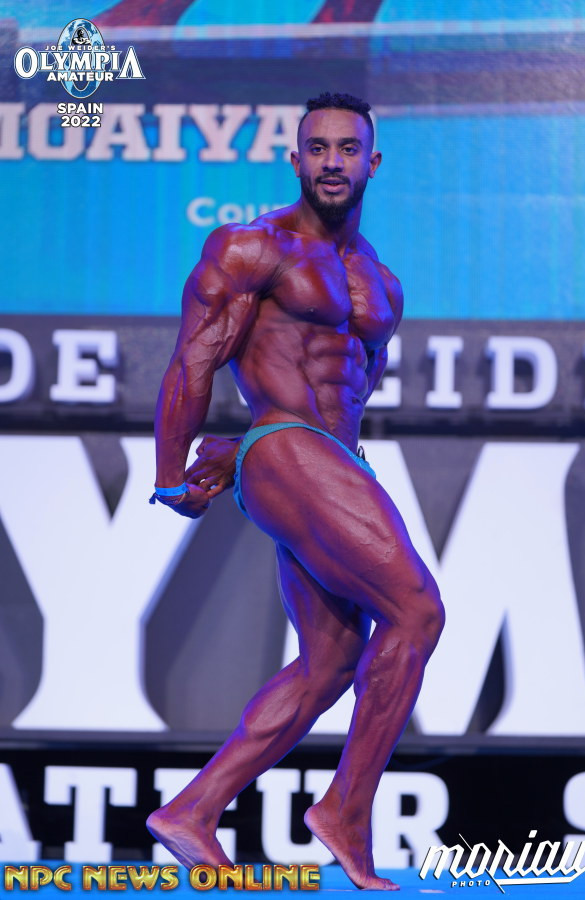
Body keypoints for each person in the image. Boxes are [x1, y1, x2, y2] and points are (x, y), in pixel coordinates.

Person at [147, 92, 444, 891]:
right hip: (286, 447)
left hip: (329, 461)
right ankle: (345, 811)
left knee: (330, 663)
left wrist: (248, 453)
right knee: (417, 612)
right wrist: (171, 474)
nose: (332, 162)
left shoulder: (384, 285)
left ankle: (193, 810)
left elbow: (350, 395)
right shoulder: (254, 247)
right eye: (317, 149)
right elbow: (194, 359)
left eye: (347, 149)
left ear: (372, 162)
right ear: (295, 160)